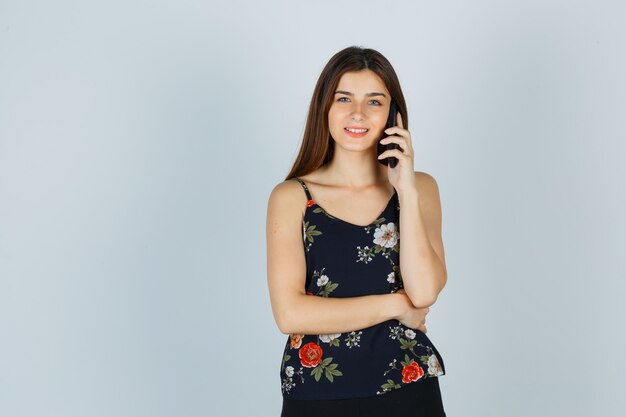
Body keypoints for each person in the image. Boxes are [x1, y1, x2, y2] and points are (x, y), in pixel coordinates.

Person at [266, 46, 448, 417]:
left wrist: (406, 190)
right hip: (316, 395)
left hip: (407, 386)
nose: (358, 114)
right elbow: (290, 314)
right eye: (344, 98)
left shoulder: (419, 188)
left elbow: (425, 290)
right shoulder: (293, 197)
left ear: (393, 115)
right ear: (325, 108)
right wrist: (397, 306)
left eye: (375, 101)